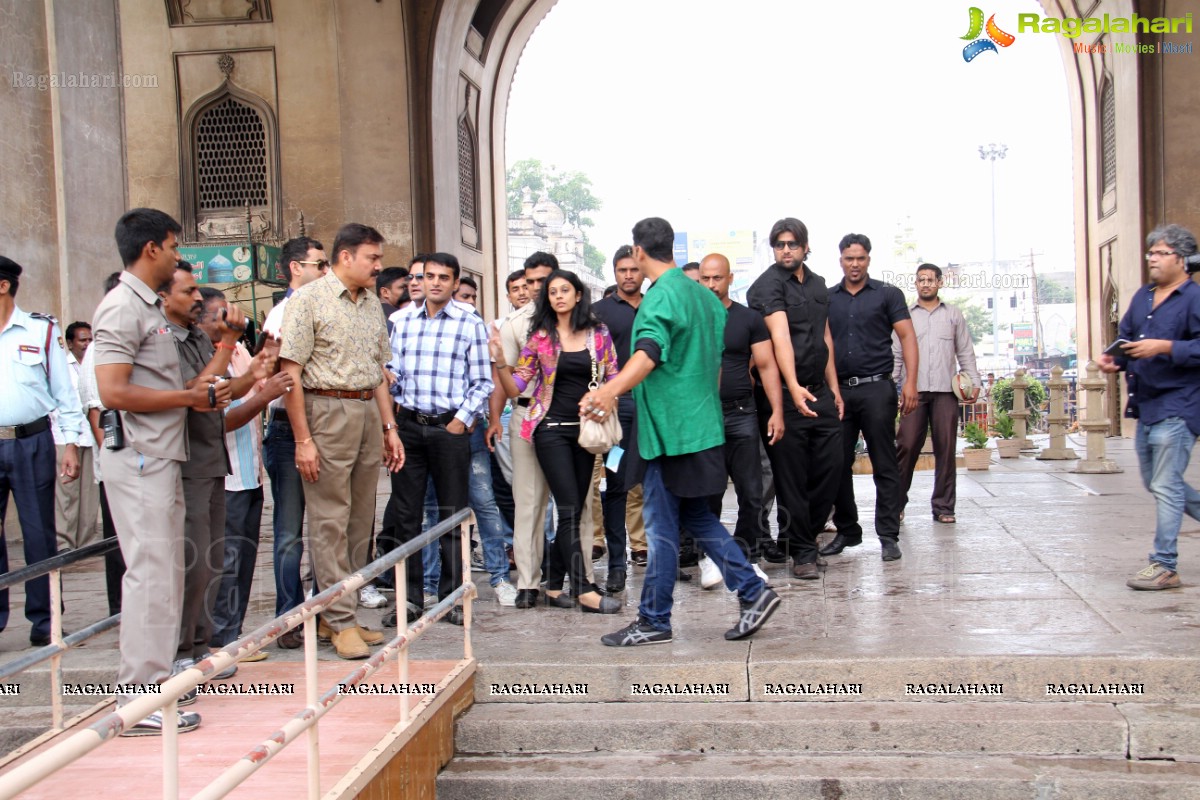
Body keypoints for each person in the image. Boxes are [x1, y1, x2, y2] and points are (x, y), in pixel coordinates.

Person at [582, 217, 780, 646]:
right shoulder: (704, 297)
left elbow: (649, 351)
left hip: (669, 433)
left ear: (638, 251)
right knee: (695, 517)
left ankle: (655, 619)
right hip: (702, 426)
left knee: (660, 527)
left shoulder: (659, 300)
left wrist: (610, 390)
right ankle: (752, 590)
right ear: (670, 247)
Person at [94, 208, 229, 735]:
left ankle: (152, 688)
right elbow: (113, 390)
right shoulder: (121, 308)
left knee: (166, 574)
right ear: (151, 248)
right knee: (150, 576)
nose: (179, 256)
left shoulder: (147, 306)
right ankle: (138, 697)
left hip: (163, 456)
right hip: (139, 456)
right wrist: (187, 398)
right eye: (174, 246)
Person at [279, 223, 405, 660]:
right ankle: (339, 621)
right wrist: (303, 440)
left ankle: (342, 613)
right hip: (325, 408)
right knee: (329, 518)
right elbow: (290, 374)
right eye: (372, 258)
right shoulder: (309, 300)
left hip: (368, 408)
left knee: (359, 521)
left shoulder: (372, 304)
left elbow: (380, 371)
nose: (379, 266)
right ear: (345, 257)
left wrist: (390, 428)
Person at [491, 269, 621, 614]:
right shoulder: (541, 337)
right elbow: (516, 387)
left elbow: (614, 378)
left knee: (576, 509)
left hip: (587, 432)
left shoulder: (599, 334)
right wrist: (501, 363)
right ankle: (583, 590)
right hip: (549, 430)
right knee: (566, 508)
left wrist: (602, 401)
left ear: (578, 295)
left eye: (565, 290)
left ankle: (552, 585)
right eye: (552, 292)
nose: (558, 296)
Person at [158, 272, 267, 675]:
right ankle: (179, 652)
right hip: (184, 461)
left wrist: (254, 374)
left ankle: (201, 645)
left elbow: (221, 389)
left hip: (211, 459)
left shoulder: (197, 339)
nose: (197, 301)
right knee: (190, 560)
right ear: (163, 297)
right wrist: (228, 345)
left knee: (212, 560)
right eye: (189, 293)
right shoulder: (160, 337)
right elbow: (196, 392)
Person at [382, 252, 492, 626]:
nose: (435, 283)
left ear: (455, 282)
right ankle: (409, 599)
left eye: (444, 277)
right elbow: (391, 369)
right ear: (422, 279)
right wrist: (392, 415)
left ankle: (452, 598)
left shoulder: (468, 322)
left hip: (449, 430)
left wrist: (461, 422)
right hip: (409, 428)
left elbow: (482, 381)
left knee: (452, 515)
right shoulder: (401, 321)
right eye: (429, 276)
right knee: (406, 516)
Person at [1099, 223, 1200, 591]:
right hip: (1146, 406)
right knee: (1157, 482)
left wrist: (1166, 347)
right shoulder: (1143, 297)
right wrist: (1116, 360)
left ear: (1182, 259)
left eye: (1160, 253)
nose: (1153, 260)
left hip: (1180, 405)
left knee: (1166, 482)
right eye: (1151, 253)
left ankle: (1164, 564)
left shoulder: (1193, 299)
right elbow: (1125, 339)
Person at [746, 218, 842, 579]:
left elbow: (825, 336)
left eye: (792, 244)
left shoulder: (817, 284)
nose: (786, 250)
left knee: (831, 471)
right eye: (780, 244)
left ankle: (798, 538)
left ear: (805, 247)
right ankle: (803, 552)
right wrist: (793, 387)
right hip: (784, 396)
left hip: (821, 392)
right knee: (792, 478)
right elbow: (780, 337)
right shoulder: (766, 286)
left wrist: (832, 388)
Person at [0, 256, 85, 650]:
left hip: (31, 441)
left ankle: (45, 620)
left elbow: (65, 394)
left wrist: (70, 442)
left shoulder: (41, 330)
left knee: (39, 535)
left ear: (4, 286)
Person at [204, 290, 291, 658]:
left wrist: (266, 363)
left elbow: (255, 386)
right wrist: (264, 394)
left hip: (249, 470)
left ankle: (233, 634)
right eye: (223, 314)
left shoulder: (237, 350)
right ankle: (222, 638)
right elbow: (218, 420)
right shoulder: (206, 358)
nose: (234, 318)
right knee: (226, 561)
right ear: (203, 321)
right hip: (226, 475)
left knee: (243, 558)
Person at [821, 233, 917, 563]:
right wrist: (831, 388)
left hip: (878, 388)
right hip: (841, 391)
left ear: (869, 260)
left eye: (860, 258)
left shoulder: (887, 295)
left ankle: (888, 534)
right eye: (849, 258)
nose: (855, 264)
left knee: (884, 462)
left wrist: (910, 383)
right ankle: (847, 530)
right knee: (835, 464)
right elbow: (826, 344)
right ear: (841, 261)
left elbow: (908, 337)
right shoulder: (828, 298)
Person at [697, 253, 784, 580]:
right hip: (704, 415)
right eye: (705, 278)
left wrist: (776, 410)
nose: (710, 284)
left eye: (717, 278)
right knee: (709, 491)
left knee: (751, 491)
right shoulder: (692, 318)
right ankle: (710, 556)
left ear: (730, 278)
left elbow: (765, 365)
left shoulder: (748, 319)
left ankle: (747, 557)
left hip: (742, 412)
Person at [262, 236, 326, 648]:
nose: (325, 271)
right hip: (290, 431)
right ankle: (289, 616)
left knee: (328, 528)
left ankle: (326, 613)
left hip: (328, 427)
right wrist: (303, 437)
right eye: (319, 264)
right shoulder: (283, 314)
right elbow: (286, 382)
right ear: (295, 268)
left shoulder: (331, 307)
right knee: (289, 530)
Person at [893, 263, 980, 524]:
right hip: (913, 393)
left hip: (946, 392)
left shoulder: (953, 315)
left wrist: (974, 382)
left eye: (931, 279)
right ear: (916, 284)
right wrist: (891, 386)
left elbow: (965, 352)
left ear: (940, 283)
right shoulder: (905, 316)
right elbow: (896, 353)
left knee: (946, 448)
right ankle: (895, 505)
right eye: (921, 280)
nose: (926, 284)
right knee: (906, 445)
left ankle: (944, 507)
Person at [495, 252, 558, 608]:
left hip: (569, 420)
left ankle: (580, 579)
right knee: (529, 504)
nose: (536, 288)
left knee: (574, 502)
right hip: (527, 417)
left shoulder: (578, 322)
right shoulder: (515, 325)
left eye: (542, 280)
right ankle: (529, 582)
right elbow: (504, 381)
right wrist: (493, 421)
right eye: (530, 281)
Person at [591, 245, 649, 592]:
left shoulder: (656, 306)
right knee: (615, 483)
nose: (628, 275)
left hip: (654, 410)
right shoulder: (598, 312)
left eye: (633, 269)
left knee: (656, 484)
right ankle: (616, 565)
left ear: (642, 271)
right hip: (616, 412)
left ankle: (663, 557)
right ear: (614, 273)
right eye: (622, 270)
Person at [54, 321, 100, 552]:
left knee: (89, 493)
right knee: (66, 494)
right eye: (82, 340)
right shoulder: (61, 367)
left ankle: (87, 542)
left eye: (90, 339)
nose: (87, 344)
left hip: (91, 437)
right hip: (65, 438)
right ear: (70, 343)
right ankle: (63, 543)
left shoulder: (95, 364)